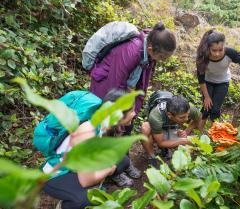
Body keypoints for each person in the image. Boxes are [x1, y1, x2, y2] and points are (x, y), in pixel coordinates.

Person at [89, 21, 176, 175]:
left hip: (126, 92)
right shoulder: (130, 51)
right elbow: (114, 86)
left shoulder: (148, 52)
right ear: (151, 49)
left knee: (127, 128)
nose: (163, 60)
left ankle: (124, 163)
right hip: (108, 90)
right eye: (163, 57)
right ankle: (112, 172)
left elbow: (142, 83)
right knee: (110, 131)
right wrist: (119, 115)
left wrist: (133, 109)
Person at [42, 89, 137, 209]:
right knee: (87, 199)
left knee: (122, 161)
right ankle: (66, 205)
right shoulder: (88, 132)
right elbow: (85, 180)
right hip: (57, 173)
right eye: (132, 110)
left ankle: (96, 184)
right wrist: (109, 169)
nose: (134, 113)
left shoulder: (107, 123)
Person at [196, 29, 240, 131]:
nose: (217, 54)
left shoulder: (229, 52)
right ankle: (200, 128)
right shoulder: (202, 57)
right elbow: (201, 79)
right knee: (207, 106)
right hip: (207, 82)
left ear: (224, 46)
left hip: (223, 82)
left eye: (220, 50)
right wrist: (207, 97)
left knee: (215, 108)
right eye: (214, 50)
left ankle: (215, 132)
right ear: (208, 48)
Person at [141, 95, 201, 167]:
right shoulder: (155, 116)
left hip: (171, 125)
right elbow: (161, 142)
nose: (186, 119)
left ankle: (167, 148)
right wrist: (183, 140)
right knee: (145, 128)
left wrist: (186, 131)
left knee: (181, 139)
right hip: (158, 126)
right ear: (169, 115)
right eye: (182, 117)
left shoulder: (187, 108)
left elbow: (199, 117)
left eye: (188, 115)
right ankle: (151, 156)